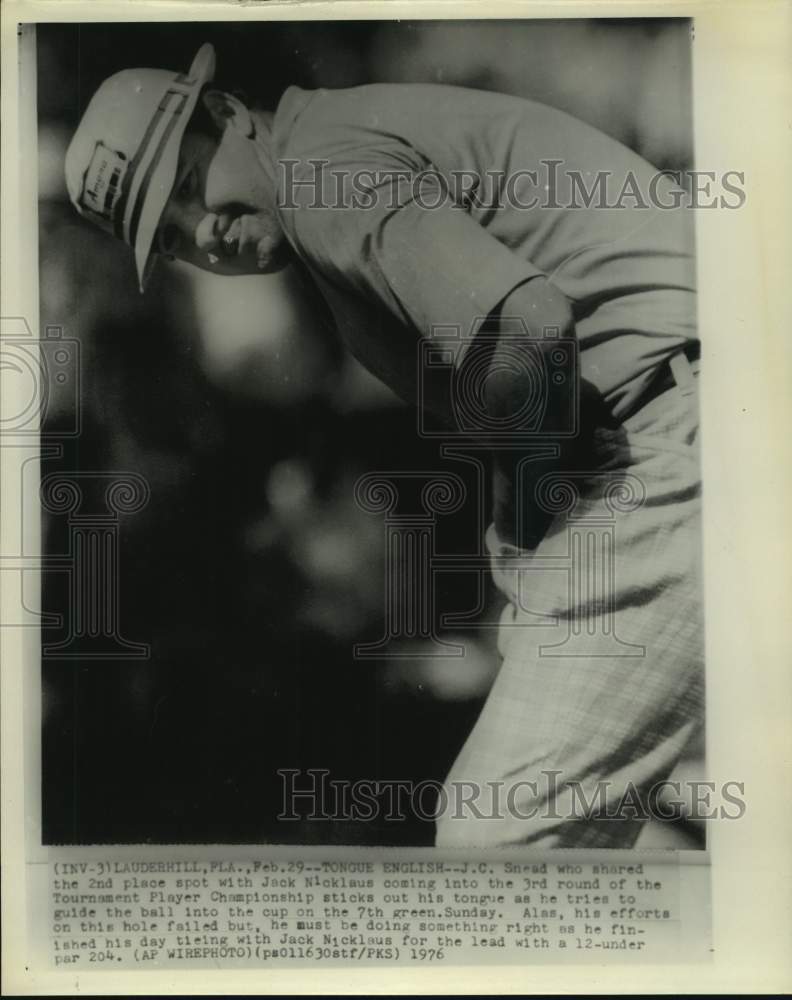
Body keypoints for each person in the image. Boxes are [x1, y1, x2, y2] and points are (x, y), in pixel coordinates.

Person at [65, 42, 704, 847]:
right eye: (172, 239)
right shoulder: (338, 143)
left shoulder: (321, 174)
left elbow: (532, 332)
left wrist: (527, 518)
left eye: (190, 187)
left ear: (226, 113)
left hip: (675, 436)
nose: (207, 233)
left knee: (497, 844)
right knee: (654, 818)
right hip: (701, 415)